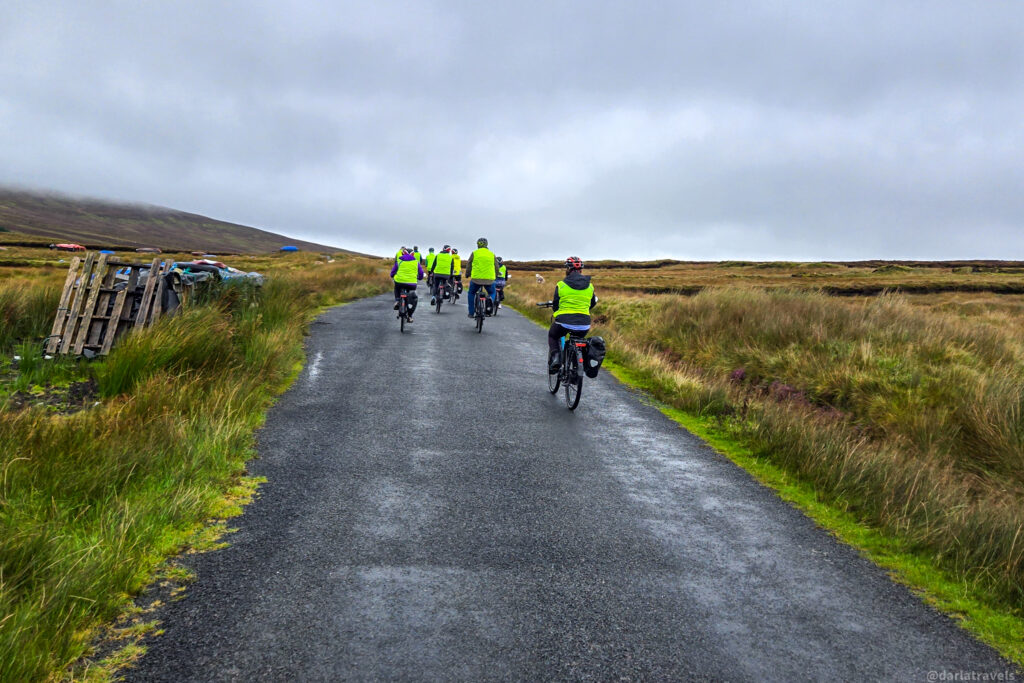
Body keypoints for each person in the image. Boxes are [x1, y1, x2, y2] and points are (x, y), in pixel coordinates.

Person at [548, 256, 597, 372]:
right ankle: (576, 371)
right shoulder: (590, 286)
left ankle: (556, 358)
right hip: (584, 323)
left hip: (563, 322)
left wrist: (557, 312)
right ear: (581, 270)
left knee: (553, 335)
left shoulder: (561, 285)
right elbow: (592, 303)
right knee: (578, 341)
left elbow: (556, 304)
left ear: (567, 269)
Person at [465, 237, 499, 318]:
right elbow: (496, 267)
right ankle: (489, 301)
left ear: (478, 245)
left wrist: (467, 274)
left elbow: (469, 265)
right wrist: (496, 276)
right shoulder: (492, 254)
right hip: (489, 279)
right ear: (487, 245)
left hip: (476, 279)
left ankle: (471, 312)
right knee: (492, 292)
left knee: (471, 293)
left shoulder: (474, 253)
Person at [390, 247, 424, 322]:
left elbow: (393, 272)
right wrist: (420, 278)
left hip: (399, 282)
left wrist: (392, 275)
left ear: (403, 253)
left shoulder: (399, 260)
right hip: (411, 284)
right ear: (413, 254)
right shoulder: (416, 262)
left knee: (396, 287)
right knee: (413, 297)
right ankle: (410, 316)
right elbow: (421, 273)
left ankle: (397, 300)